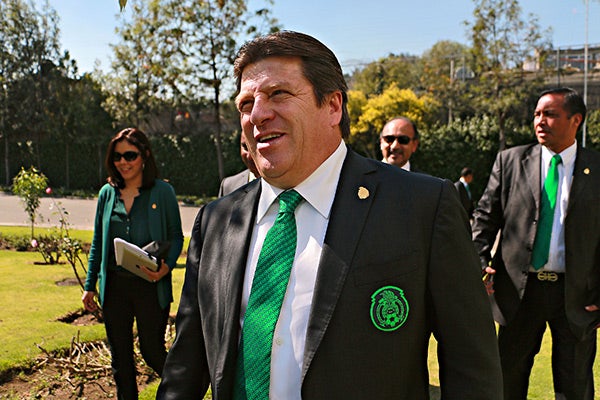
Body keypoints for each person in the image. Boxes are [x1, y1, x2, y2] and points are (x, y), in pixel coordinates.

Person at [157, 31, 502, 399]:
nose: (257, 114)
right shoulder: (217, 221)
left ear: (333, 106)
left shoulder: (421, 206)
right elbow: (186, 367)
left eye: (278, 94)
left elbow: (472, 368)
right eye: (245, 104)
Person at [472, 87, 600, 400]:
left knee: (574, 386)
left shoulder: (596, 170)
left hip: (576, 295)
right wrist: (479, 262)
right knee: (508, 380)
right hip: (518, 293)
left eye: (550, 114)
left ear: (576, 120)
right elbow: (484, 220)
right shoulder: (510, 161)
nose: (540, 121)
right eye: (537, 114)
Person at [82, 127, 183, 400]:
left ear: (144, 156)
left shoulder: (162, 192)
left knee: (152, 352)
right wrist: (90, 286)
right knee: (121, 360)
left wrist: (167, 266)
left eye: (130, 155)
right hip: (115, 288)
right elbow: (98, 243)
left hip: (150, 285)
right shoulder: (107, 193)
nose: (123, 162)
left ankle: (184, 391)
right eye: (117, 157)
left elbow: (176, 236)